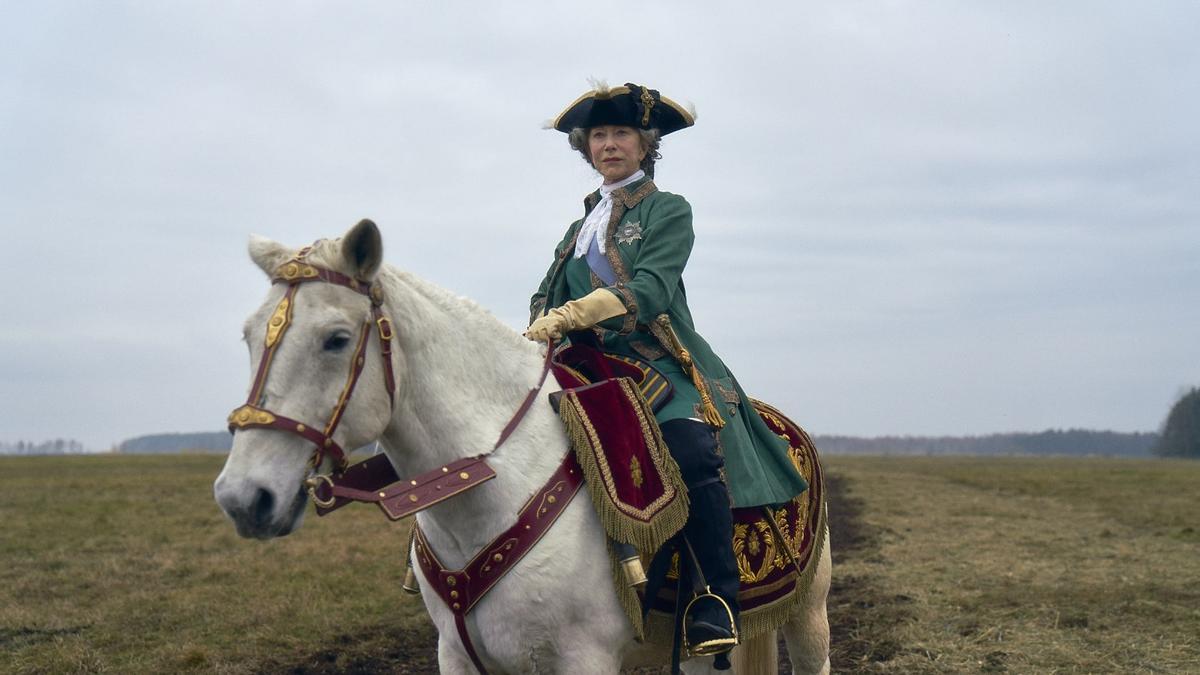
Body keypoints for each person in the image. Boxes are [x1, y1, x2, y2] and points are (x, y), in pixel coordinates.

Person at [525, 82, 809, 657]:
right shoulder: (578, 227)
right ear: (586, 147)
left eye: (621, 133)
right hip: (585, 365)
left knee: (689, 446)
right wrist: (540, 326)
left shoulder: (667, 209)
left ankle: (716, 599)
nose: (609, 144)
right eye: (599, 135)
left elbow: (650, 291)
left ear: (644, 143)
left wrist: (571, 313)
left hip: (659, 361)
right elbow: (542, 295)